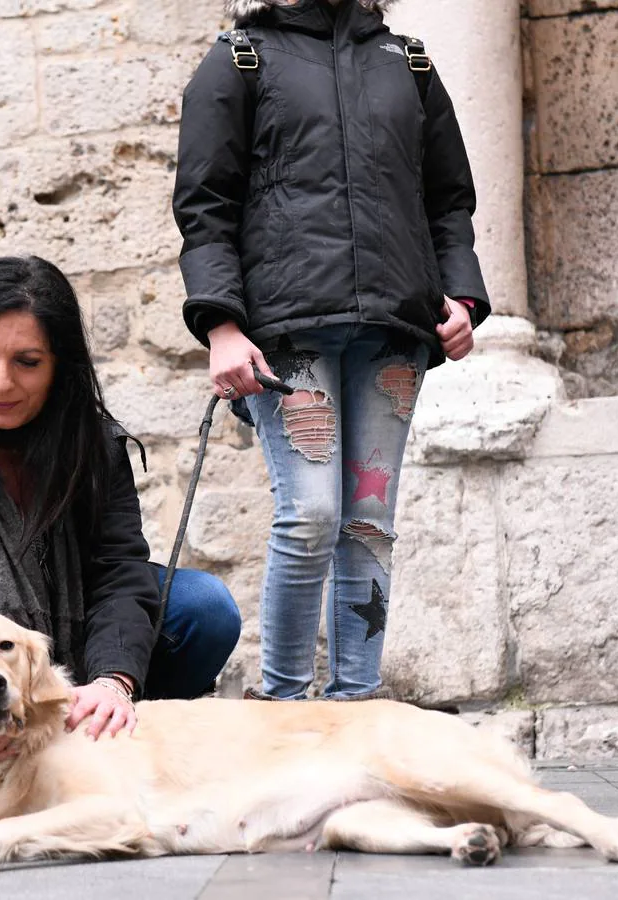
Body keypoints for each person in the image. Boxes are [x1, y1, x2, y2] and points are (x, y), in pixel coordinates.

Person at [172, 0, 491, 700]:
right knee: (311, 513)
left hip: (394, 334)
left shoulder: (407, 63)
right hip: (288, 334)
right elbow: (205, 205)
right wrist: (221, 324)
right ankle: (281, 708)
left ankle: (358, 702)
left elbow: (449, 201)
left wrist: (463, 299)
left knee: (368, 521)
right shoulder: (238, 59)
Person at [0, 255, 242, 766]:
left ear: (59, 366)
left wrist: (113, 682)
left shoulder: (90, 443)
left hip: (67, 652)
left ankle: (107, 737)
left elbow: (119, 574)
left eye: (27, 362)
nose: (2, 384)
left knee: (203, 609)